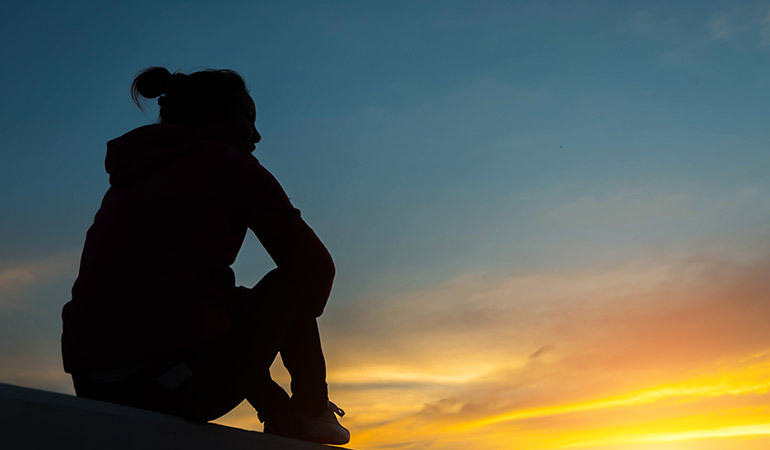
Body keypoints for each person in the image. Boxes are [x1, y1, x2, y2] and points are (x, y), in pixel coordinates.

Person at [60, 67, 349, 445]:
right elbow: (314, 268)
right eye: (248, 119)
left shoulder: (135, 172)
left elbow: (171, 297)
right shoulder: (230, 165)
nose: (257, 136)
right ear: (210, 114)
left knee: (231, 307)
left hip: (94, 385)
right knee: (292, 282)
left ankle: (282, 413)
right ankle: (312, 412)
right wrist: (286, 324)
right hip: (168, 388)